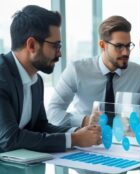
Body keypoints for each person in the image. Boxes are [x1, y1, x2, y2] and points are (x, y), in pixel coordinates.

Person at [0, 5, 100, 153]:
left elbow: (41, 127)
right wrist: (75, 139)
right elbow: (9, 138)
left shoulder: (36, 81)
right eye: (56, 46)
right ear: (32, 45)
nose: (59, 54)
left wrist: (81, 131)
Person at [47, 15, 140, 127]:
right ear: (102, 45)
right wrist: (85, 121)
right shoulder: (77, 70)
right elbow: (52, 113)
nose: (126, 53)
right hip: (87, 138)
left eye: (128, 46)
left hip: (127, 139)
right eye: (119, 46)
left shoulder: (138, 73)